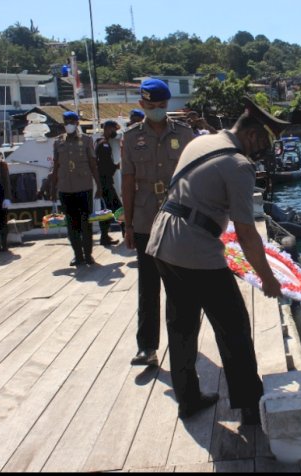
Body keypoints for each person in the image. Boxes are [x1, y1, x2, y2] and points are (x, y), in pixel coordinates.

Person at [145, 97, 285, 423]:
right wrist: (268, 278)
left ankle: (188, 399)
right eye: (264, 142)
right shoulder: (238, 165)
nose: (263, 150)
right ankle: (251, 406)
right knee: (233, 325)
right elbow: (248, 234)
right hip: (194, 249)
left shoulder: (203, 141)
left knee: (181, 326)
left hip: (163, 241)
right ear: (252, 135)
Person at [121, 78, 195, 367]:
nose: (157, 110)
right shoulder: (130, 138)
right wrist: (127, 224)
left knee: (180, 288)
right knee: (148, 287)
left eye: (162, 106)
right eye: (151, 106)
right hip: (144, 221)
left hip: (178, 219)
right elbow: (127, 182)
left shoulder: (185, 133)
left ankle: (182, 345)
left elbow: (195, 177)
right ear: (142, 105)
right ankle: (147, 348)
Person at [50, 111, 103, 267]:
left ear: (77, 123)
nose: (69, 124)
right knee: (71, 225)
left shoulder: (86, 141)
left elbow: (93, 164)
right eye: (66, 122)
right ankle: (77, 255)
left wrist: (98, 186)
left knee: (85, 224)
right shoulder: (58, 142)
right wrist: (53, 190)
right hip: (65, 188)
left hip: (84, 187)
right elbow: (56, 167)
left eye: (72, 121)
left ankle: (88, 255)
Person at [94, 120, 122, 246]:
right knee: (118, 209)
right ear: (108, 128)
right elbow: (104, 165)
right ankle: (126, 233)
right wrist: (116, 166)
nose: (115, 132)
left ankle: (104, 237)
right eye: (114, 129)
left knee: (105, 211)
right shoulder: (104, 144)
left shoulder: (99, 142)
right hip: (105, 183)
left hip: (103, 183)